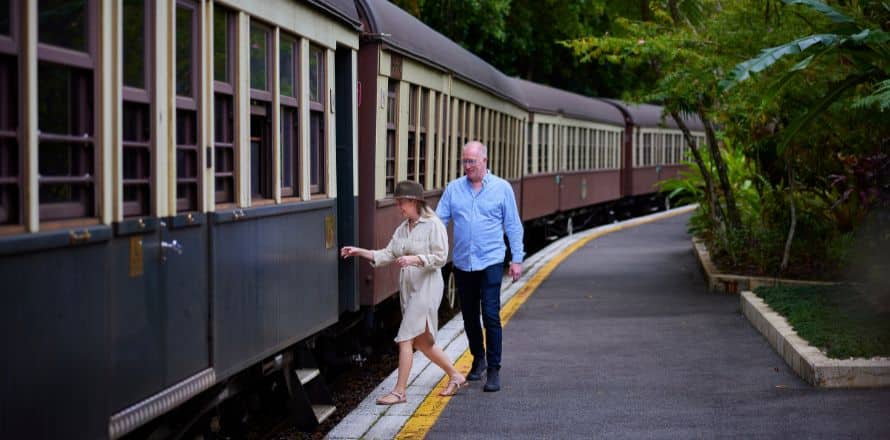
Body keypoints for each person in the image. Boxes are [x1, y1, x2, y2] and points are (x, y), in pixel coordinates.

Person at [340, 180, 467, 405]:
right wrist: (360, 251)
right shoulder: (403, 228)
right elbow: (387, 254)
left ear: (414, 202)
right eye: (398, 203)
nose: (399, 208)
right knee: (424, 343)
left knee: (405, 338)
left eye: (402, 203)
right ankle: (456, 376)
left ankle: (399, 392)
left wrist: (415, 259)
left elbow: (440, 257)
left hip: (427, 287)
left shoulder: (433, 224)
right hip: (410, 289)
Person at [436, 140, 524, 392]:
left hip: (491, 261)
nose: (467, 166)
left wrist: (516, 259)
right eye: (464, 161)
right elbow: (439, 221)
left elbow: (513, 226)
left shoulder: (501, 188)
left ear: (484, 160)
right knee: (469, 317)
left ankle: (494, 369)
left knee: (491, 315)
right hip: (463, 263)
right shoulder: (454, 189)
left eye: (471, 161)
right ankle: (479, 359)